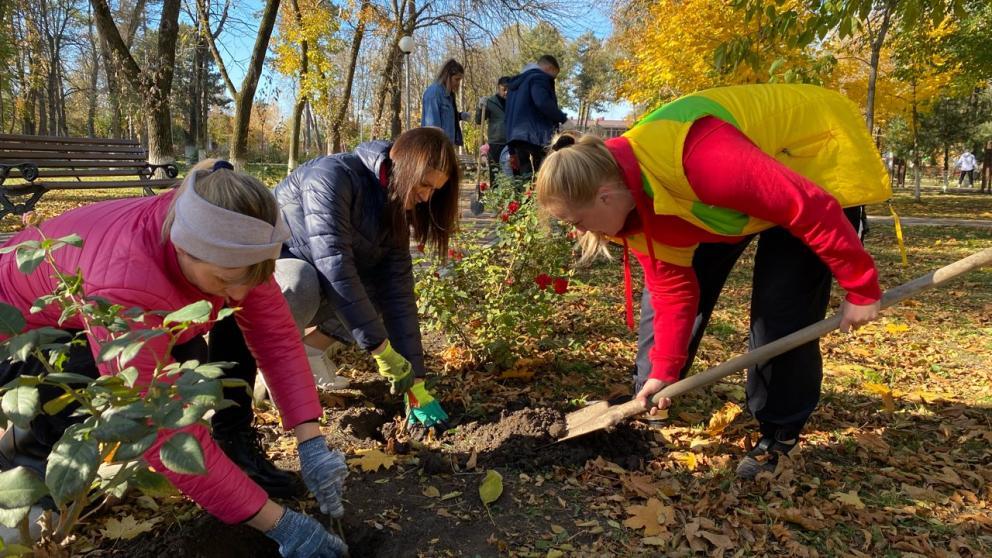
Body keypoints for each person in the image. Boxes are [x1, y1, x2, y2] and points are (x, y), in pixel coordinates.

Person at [535, 84, 891, 479]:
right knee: (671, 302)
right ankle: (651, 391)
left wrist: (861, 287)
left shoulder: (699, 158)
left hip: (809, 158)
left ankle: (779, 432)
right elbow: (672, 289)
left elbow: (807, 206)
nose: (581, 233)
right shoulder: (630, 203)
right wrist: (664, 371)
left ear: (604, 197)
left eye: (577, 222)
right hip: (723, 196)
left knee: (781, 314)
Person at [0, 161, 349, 556]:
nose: (236, 296)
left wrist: (311, 442)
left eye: (246, 280)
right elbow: (159, 426)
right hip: (16, 336)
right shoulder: (125, 278)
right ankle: (24, 478)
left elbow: (278, 340)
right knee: (83, 377)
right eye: (224, 282)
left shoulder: (236, 244)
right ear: (184, 247)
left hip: (91, 314)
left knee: (188, 354)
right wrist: (282, 525)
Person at [263, 127, 458, 435]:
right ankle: (268, 366)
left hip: (320, 277)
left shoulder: (393, 207)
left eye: (434, 190)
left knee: (379, 288)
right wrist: (381, 351)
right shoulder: (332, 177)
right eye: (423, 184)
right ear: (400, 163)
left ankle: (309, 354)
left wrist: (416, 382)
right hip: (268, 275)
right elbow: (334, 266)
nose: (425, 197)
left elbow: (399, 294)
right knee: (301, 282)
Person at [503, 54, 568, 175]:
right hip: (536, 137)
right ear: (550, 68)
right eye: (555, 76)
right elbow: (542, 102)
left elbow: (507, 118)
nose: (553, 80)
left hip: (516, 138)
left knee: (522, 178)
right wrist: (563, 119)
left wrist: (511, 150)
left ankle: (525, 193)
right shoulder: (539, 78)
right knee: (543, 174)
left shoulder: (513, 87)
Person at [421, 59, 470, 146]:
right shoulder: (434, 93)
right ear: (447, 76)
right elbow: (432, 128)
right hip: (436, 147)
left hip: (447, 145)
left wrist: (460, 116)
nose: (458, 83)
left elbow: (446, 116)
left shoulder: (449, 95)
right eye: (457, 79)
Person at [476, 76, 511, 184]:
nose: (506, 92)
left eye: (509, 90)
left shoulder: (513, 103)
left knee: (509, 175)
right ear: (498, 88)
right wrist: (480, 107)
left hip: (510, 143)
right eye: (504, 89)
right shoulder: (490, 102)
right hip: (495, 143)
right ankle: (495, 200)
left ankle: (510, 199)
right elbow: (478, 121)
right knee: (495, 175)